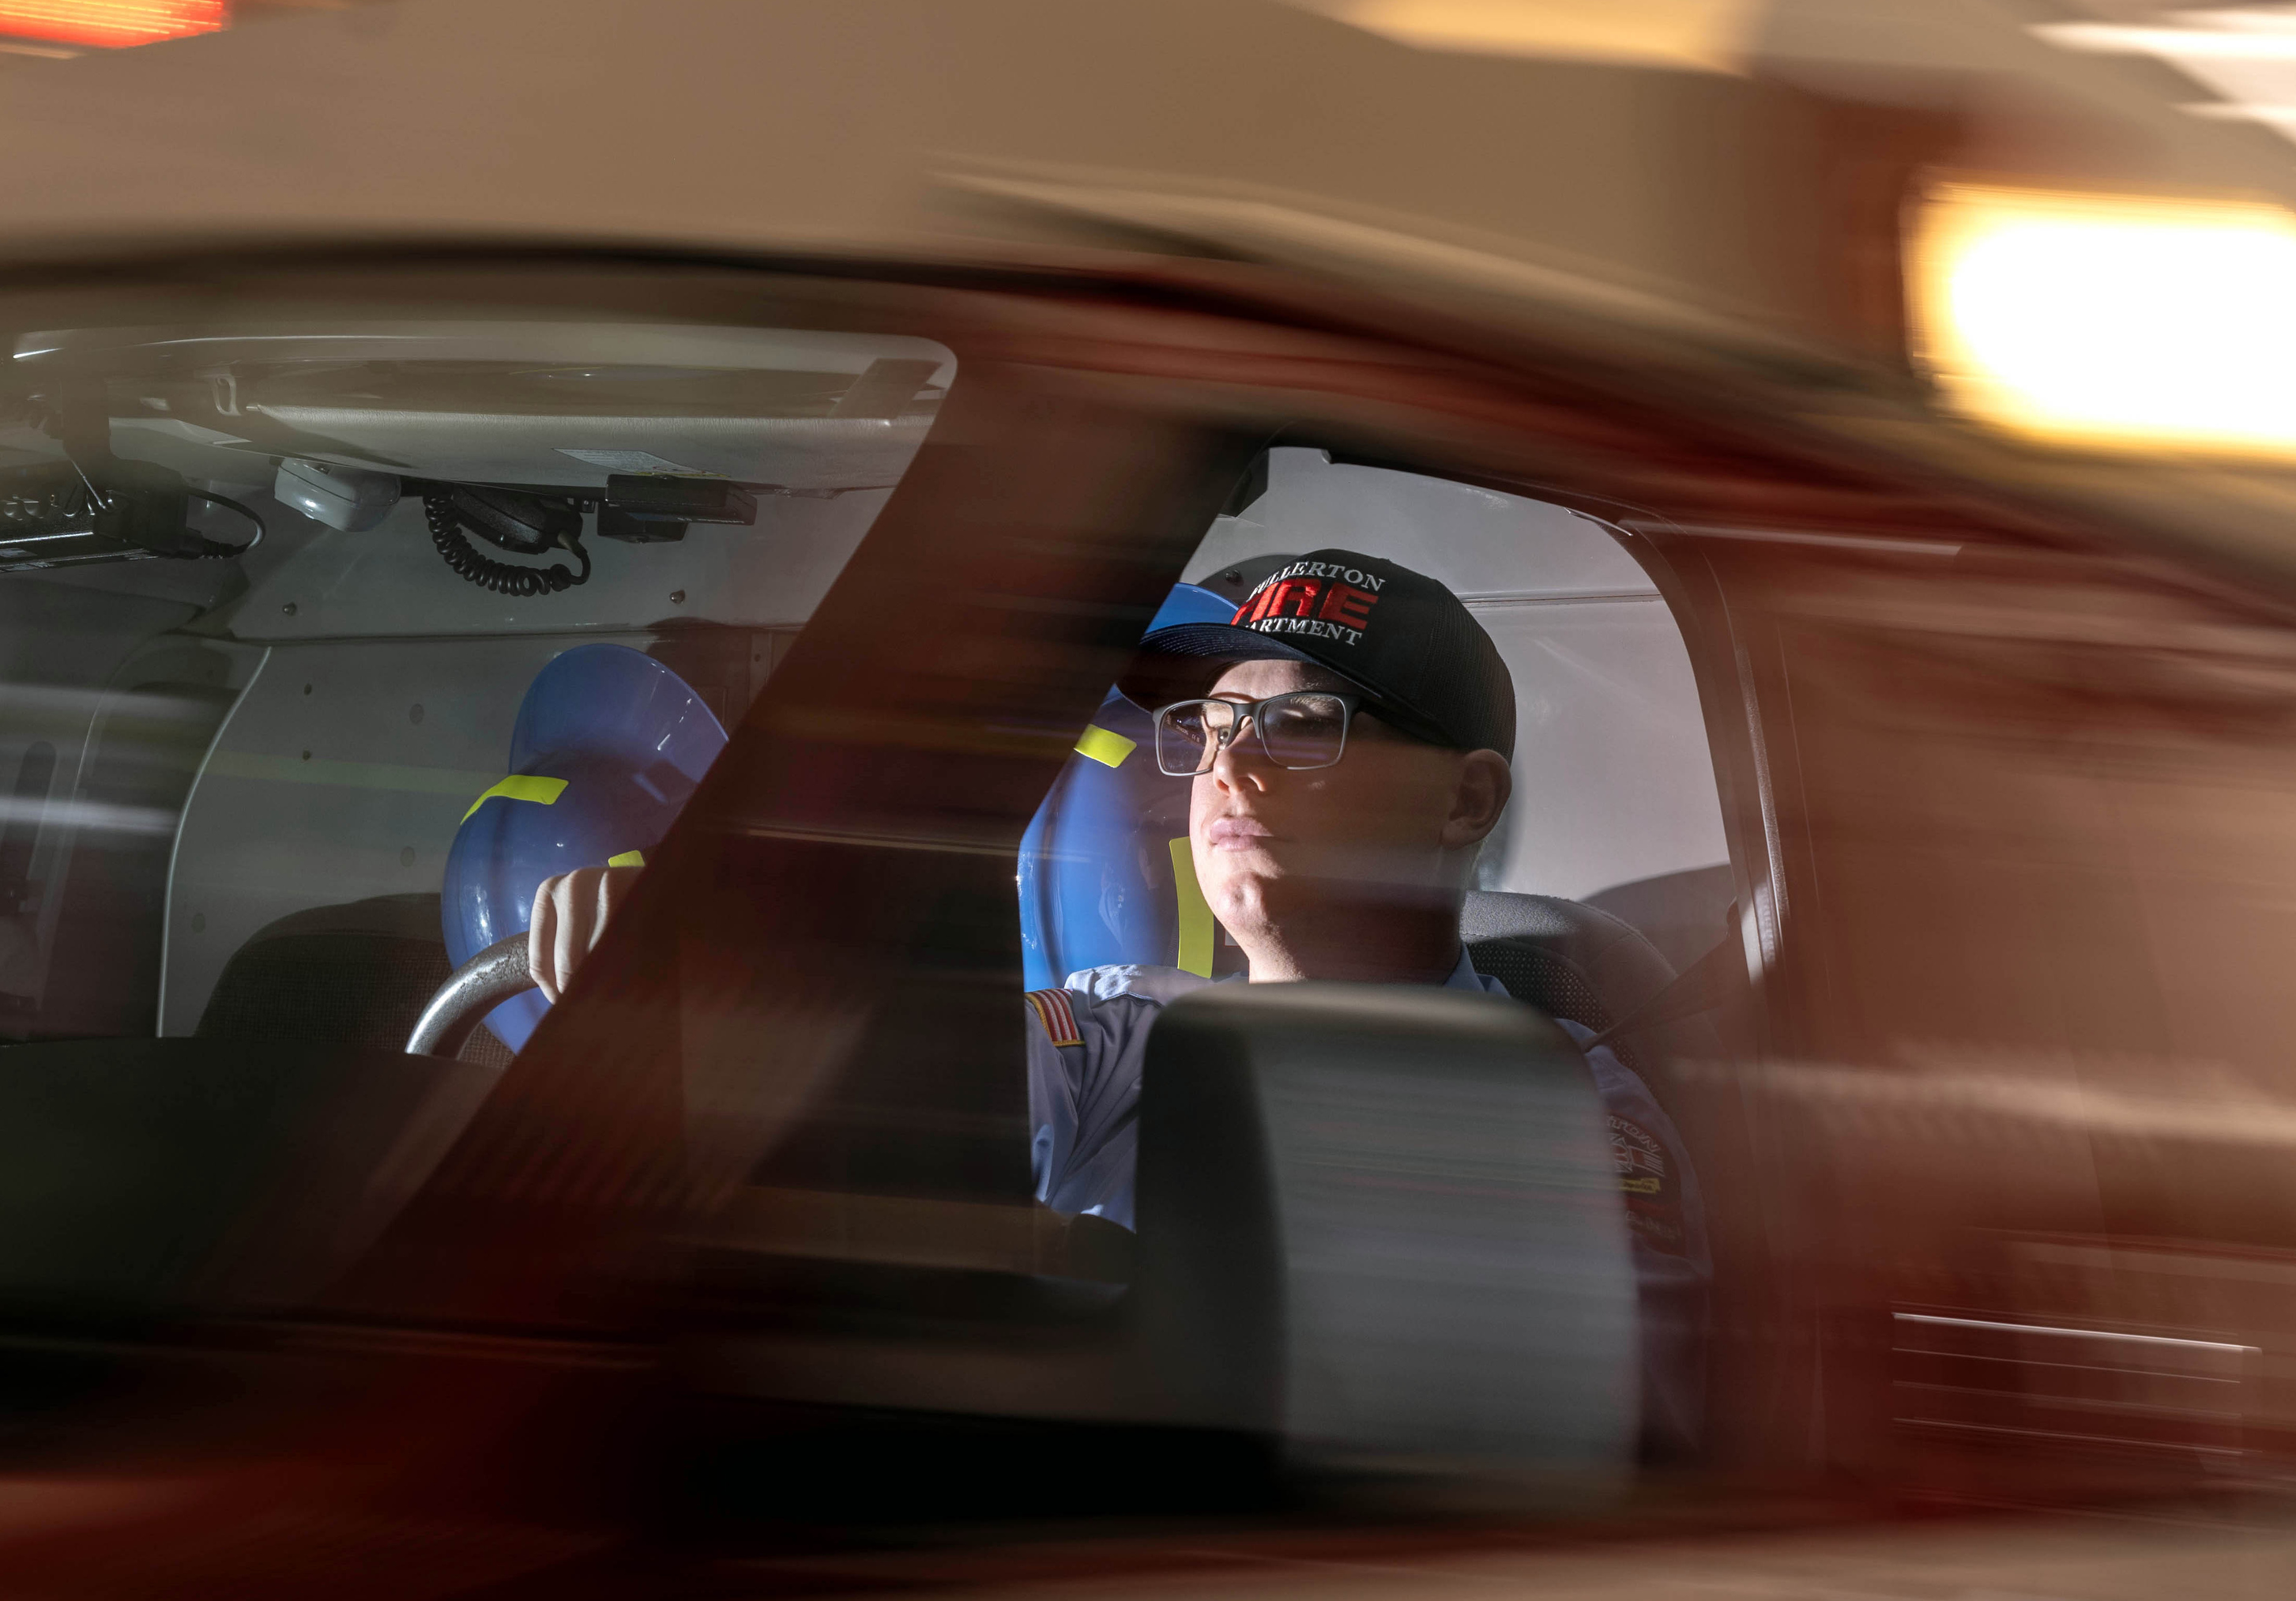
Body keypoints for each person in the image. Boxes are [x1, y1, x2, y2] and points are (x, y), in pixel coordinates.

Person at [521, 548, 1707, 1448]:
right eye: (1207, 726)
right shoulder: (1117, 1027)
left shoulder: (1573, 1114)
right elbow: (866, 1079)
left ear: (1466, 800)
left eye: (1298, 728)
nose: (1227, 768)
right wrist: (687, 968)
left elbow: (1621, 1443)